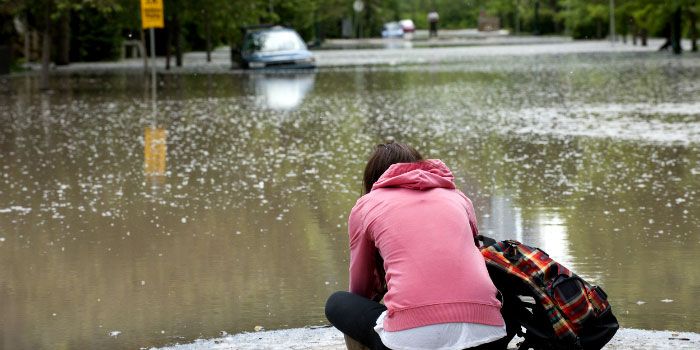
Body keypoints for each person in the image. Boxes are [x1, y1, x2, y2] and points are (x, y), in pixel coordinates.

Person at [325, 142, 507, 350]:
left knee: (338, 302)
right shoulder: (458, 198)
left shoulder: (367, 205)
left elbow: (360, 289)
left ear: (373, 177)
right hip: (489, 337)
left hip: (413, 343)